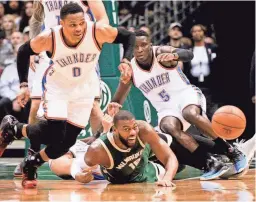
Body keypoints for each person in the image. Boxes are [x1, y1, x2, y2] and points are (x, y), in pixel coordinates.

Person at [0, 2, 135, 188]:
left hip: (84, 88)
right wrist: (24, 85)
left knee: (67, 142)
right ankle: (13, 129)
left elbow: (129, 36)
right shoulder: (50, 37)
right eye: (73, 25)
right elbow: (23, 51)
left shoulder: (96, 31)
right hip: (58, 87)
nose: (79, 28)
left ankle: (33, 161)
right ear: (61, 23)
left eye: (81, 23)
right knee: (55, 133)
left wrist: (126, 60)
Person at [111, 30, 247, 180]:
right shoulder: (131, 70)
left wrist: (175, 55)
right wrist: (113, 106)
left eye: (144, 45)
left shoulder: (161, 52)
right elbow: (118, 97)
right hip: (165, 108)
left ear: (151, 44)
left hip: (185, 94)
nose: (140, 49)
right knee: (168, 127)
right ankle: (210, 162)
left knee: (190, 114)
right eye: (136, 47)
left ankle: (231, 150)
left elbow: (188, 54)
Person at [13, 0, 109, 177]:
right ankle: (32, 155)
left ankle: (101, 153)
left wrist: (96, 38)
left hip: (81, 50)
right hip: (52, 47)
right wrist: (34, 49)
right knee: (35, 106)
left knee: (95, 109)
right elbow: (36, 18)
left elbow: (103, 18)